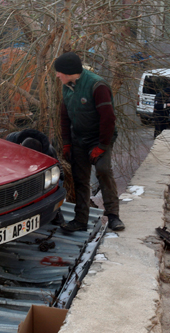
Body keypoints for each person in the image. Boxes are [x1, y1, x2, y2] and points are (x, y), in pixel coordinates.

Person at [55, 52, 125, 232]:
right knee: (80, 178)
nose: (57, 75)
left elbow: (108, 119)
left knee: (103, 171)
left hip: (100, 138)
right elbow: (65, 117)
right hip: (78, 138)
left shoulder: (97, 85)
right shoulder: (67, 87)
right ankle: (80, 220)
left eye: (59, 72)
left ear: (69, 71)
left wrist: (101, 146)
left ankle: (113, 216)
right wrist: (67, 143)